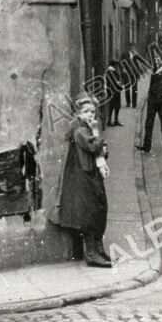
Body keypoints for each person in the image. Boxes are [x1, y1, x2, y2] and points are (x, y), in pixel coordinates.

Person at [53, 94, 111, 268]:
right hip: (84, 176)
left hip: (92, 174)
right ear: (79, 114)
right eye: (86, 111)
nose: (91, 115)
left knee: (100, 209)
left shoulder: (85, 128)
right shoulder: (80, 131)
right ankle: (92, 253)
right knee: (90, 212)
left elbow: (102, 150)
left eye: (93, 111)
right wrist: (96, 135)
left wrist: (100, 144)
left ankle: (99, 249)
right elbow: (95, 146)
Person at [137, 50, 162, 155]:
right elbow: (151, 85)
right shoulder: (153, 72)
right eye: (156, 60)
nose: (157, 62)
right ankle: (146, 146)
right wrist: (149, 95)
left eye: (159, 60)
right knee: (148, 124)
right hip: (152, 101)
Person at [104, 60, 123, 127]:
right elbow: (110, 81)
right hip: (112, 91)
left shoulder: (114, 71)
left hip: (116, 90)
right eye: (116, 66)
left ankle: (116, 120)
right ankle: (109, 121)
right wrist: (117, 83)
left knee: (118, 105)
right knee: (112, 106)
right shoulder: (109, 71)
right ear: (114, 66)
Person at [122, 44, 141, 109]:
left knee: (135, 89)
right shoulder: (124, 54)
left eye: (133, 47)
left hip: (134, 74)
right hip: (127, 74)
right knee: (127, 89)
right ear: (129, 48)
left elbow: (138, 65)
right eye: (131, 47)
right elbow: (121, 62)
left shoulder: (136, 55)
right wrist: (123, 69)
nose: (132, 49)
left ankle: (134, 104)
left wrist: (138, 75)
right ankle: (128, 102)